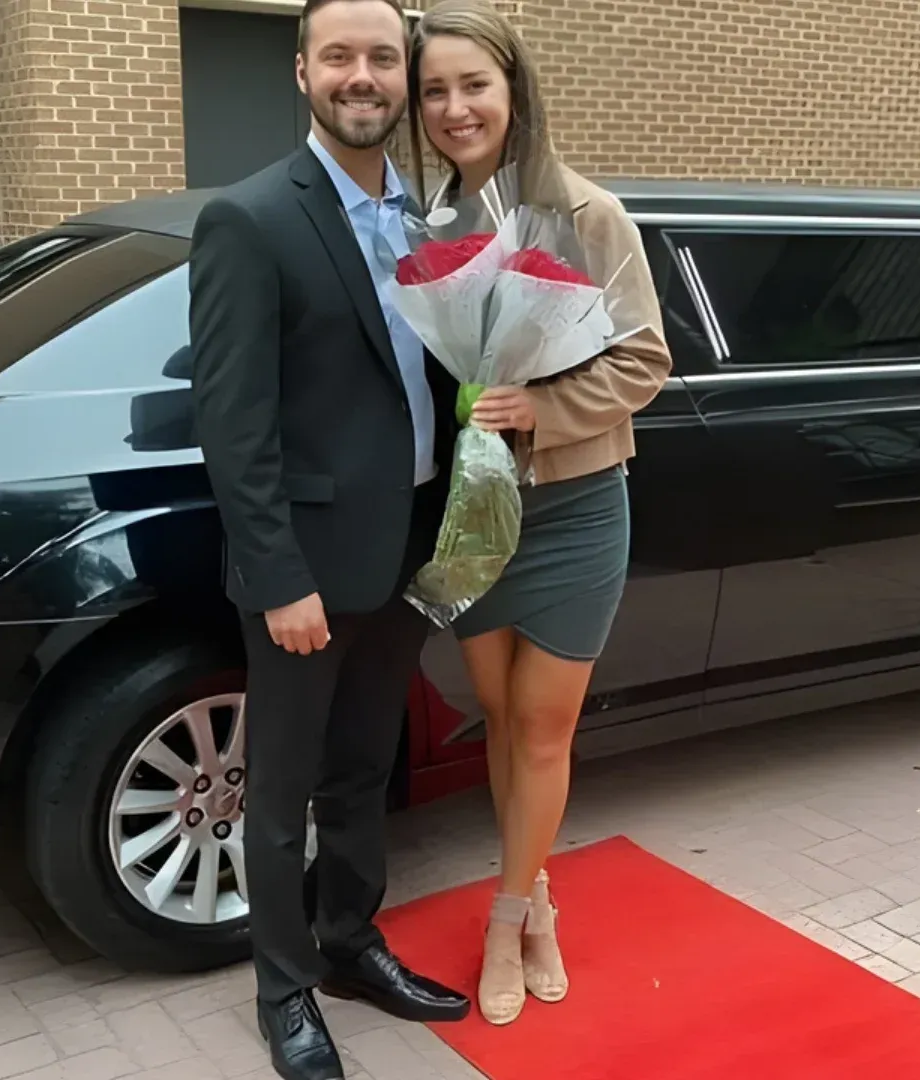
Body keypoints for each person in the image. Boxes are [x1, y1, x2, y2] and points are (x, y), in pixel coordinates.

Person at [186, 0, 471, 1076]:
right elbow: (233, 423)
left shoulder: (431, 222)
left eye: (383, 58)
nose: (364, 76)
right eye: (340, 56)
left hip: (405, 553)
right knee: (281, 790)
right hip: (305, 571)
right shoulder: (251, 218)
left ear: (405, 76)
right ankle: (284, 989)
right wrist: (278, 578)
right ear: (302, 71)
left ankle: (350, 944)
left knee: (363, 771)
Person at [408, 0, 674, 1027]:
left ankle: (510, 917)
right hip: (477, 508)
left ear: (514, 90)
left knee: (543, 726)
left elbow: (645, 360)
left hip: (575, 508)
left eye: (473, 84)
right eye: (435, 90)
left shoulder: (587, 214)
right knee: (500, 722)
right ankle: (539, 890)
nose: (455, 107)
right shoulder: (424, 225)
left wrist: (539, 410)